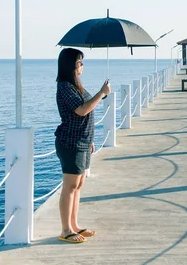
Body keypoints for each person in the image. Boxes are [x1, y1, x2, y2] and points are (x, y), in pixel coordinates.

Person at [55, 48, 111, 243]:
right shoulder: (65, 87)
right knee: (70, 186)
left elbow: (85, 110)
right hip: (71, 142)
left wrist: (89, 141)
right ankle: (65, 230)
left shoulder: (75, 86)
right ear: (71, 65)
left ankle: (74, 225)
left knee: (78, 185)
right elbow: (81, 110)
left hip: (83, 141)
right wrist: (101, 93)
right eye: (80, 63)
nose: (82, 66)